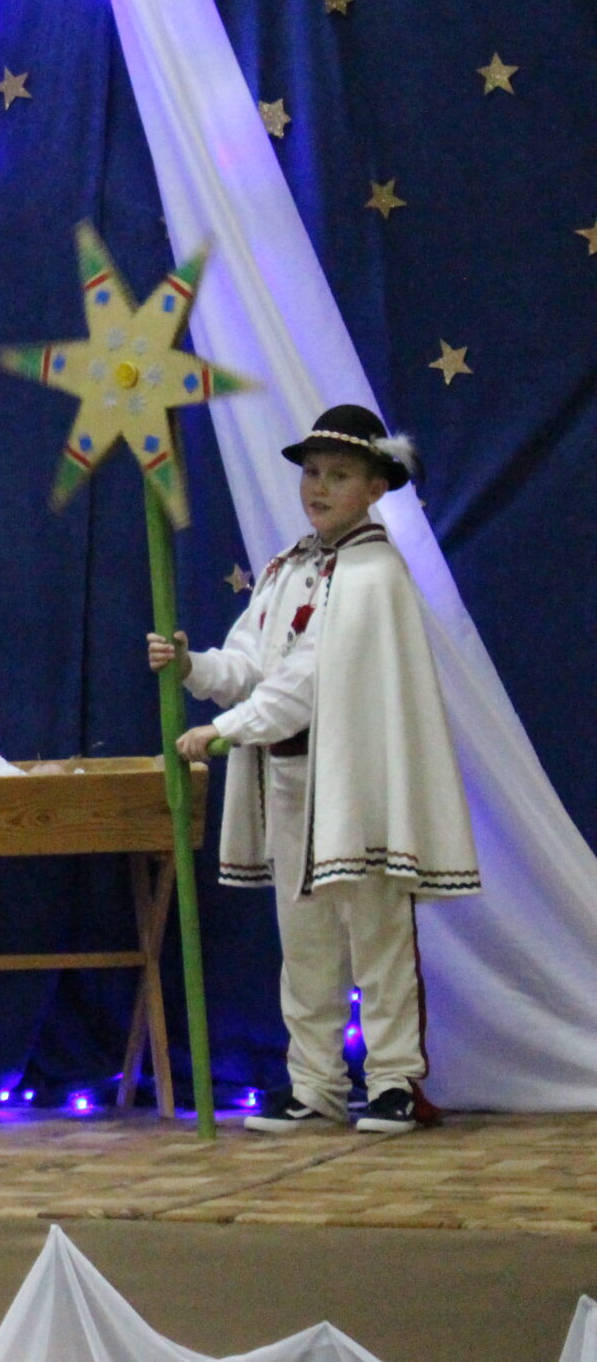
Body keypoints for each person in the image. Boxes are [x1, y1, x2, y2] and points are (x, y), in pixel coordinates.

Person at [153, 405, 478, 1135]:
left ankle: (392, 1078)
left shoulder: (373, 574)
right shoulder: (286, 567)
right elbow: (252, 661)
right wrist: (193, 665)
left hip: (355, 785)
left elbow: (308, 680)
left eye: (338, 475)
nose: (319, 487)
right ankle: (316, 1082)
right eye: (311, 473)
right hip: (290, 786)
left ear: (374, 487)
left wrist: (225, 730)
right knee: (304, 943)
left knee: (376, 935)